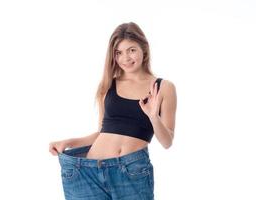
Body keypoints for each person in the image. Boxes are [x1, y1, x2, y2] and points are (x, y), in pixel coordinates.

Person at [49, 22, 177, 200]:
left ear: (144, 49)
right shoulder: (108, 85)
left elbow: (167, 142)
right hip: (88, 171)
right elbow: (102, 133)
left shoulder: (163, 88)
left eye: (131, 50)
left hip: (131, 172)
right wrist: (69, 142)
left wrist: (153, 117)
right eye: (119, 53)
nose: (126, 58)